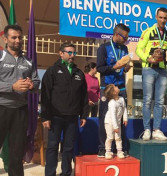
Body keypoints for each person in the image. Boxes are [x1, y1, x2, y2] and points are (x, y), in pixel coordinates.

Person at [41, 42, 88, 176]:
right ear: (61, 53)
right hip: (55, 117)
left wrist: (83, 115)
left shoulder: (79, 73)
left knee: (68, 147)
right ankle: (50, 173)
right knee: (52, 147)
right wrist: (45, 116)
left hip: (72, 117)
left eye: (74, 53)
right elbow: (45, 95)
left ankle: (66, 173)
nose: (72, 55)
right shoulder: (52, 71)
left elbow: (84, 96)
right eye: (69, 52)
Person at [0, 24, 40, 176]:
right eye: (13, 37)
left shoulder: (28, 61)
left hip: (20, 111)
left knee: (17, 153)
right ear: (5, 39)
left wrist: (31, 85)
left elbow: (36, 83)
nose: (17, 40)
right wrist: (12, 86)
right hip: (2, 108)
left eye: (19, 37)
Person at [136, 7, 167, 141]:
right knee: (147, 100)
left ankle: (156, 130)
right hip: (149, 69)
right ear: (156, 17)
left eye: (165, 18)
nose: (163, 20)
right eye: (161, 17)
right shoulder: (148, 31)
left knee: (159, 101)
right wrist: (148, 58)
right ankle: (147, 129)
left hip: (162, 70)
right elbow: (138, 49)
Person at [96, 23, 131, 157]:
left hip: (121, 87)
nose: (126, 40)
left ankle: (120, 148)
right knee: (105, 119)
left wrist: (126, 68)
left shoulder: (125, 49)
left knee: (121, 117)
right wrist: (114, 67)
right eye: (124, 37)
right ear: (117, 34)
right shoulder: (103, 48)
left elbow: (124, 65)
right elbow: (100, 68)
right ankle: (103, 148)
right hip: (107, 88)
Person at [103, 84, 128, 159]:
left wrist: (125, 118)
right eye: (115, 87)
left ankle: (119, 151)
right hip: (109, 123)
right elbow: (113, 115)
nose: (117, 87)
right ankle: (107, 152)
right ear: (114, 92)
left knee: (118, 137)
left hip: (117, 122)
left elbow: (124, 109)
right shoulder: (112, 103)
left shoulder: (121, 99)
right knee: (110, 137)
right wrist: (115, 126)